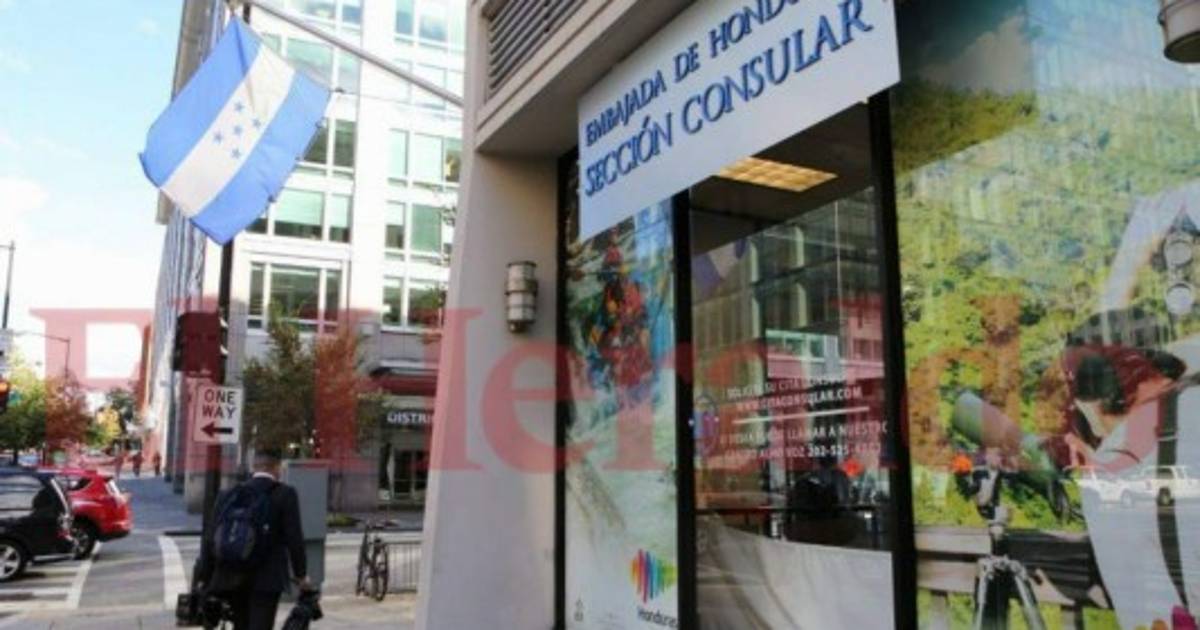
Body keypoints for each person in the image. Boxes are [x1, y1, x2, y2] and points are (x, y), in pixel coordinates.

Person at [196, 449, 311, 630]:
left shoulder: (229, 494)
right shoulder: (285, 494)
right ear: (277, 468)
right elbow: (294, 538)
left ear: (253, 467)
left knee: (240, 624)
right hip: (267, 578)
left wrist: (204, 575)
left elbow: (210, 538)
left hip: (230, 574)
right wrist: (301, 575)